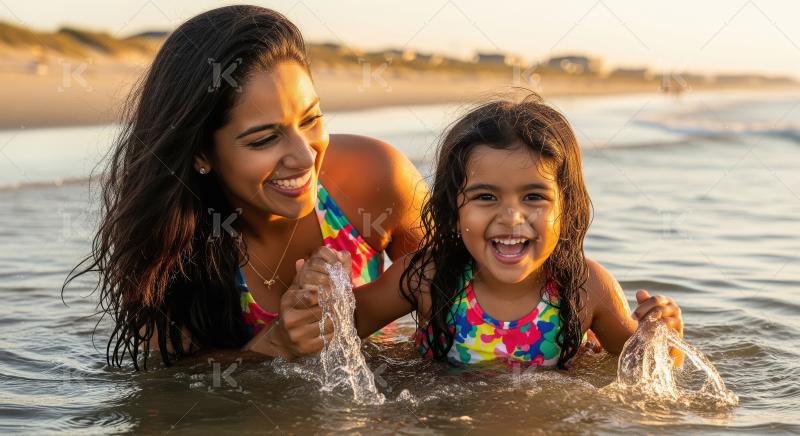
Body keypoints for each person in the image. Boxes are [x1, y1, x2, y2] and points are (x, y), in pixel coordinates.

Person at [63, 5, 426, 369]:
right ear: (201, 153)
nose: (304, 156)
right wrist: (279, 342)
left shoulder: (375, 176)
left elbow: (463, 300)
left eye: (311, 119)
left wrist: (368, 306)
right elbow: (172, 385)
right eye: (265, 139)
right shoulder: (164, 251)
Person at [300, 93, 684, 368]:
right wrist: (323, 290)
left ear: (567, 208)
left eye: (534, 197)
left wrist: (665, 338)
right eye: (486, 197)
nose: (511, 217)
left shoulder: (586, 289)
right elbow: (337, 332)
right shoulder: (427, 277)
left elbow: (646, 372)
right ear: (453, 207)